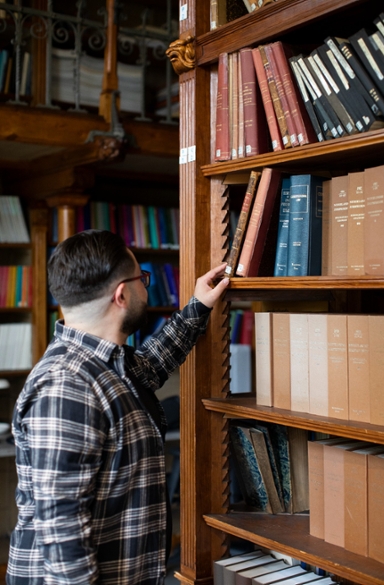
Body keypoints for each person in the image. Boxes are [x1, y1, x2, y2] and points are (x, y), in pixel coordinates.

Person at [6, 229, 229, 585]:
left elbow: (151, 365)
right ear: (122, 295)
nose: (147, 286)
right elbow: (63, 535)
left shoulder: (104, 363)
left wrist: (198, 306)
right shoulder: (67, 385)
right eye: (143, 278)